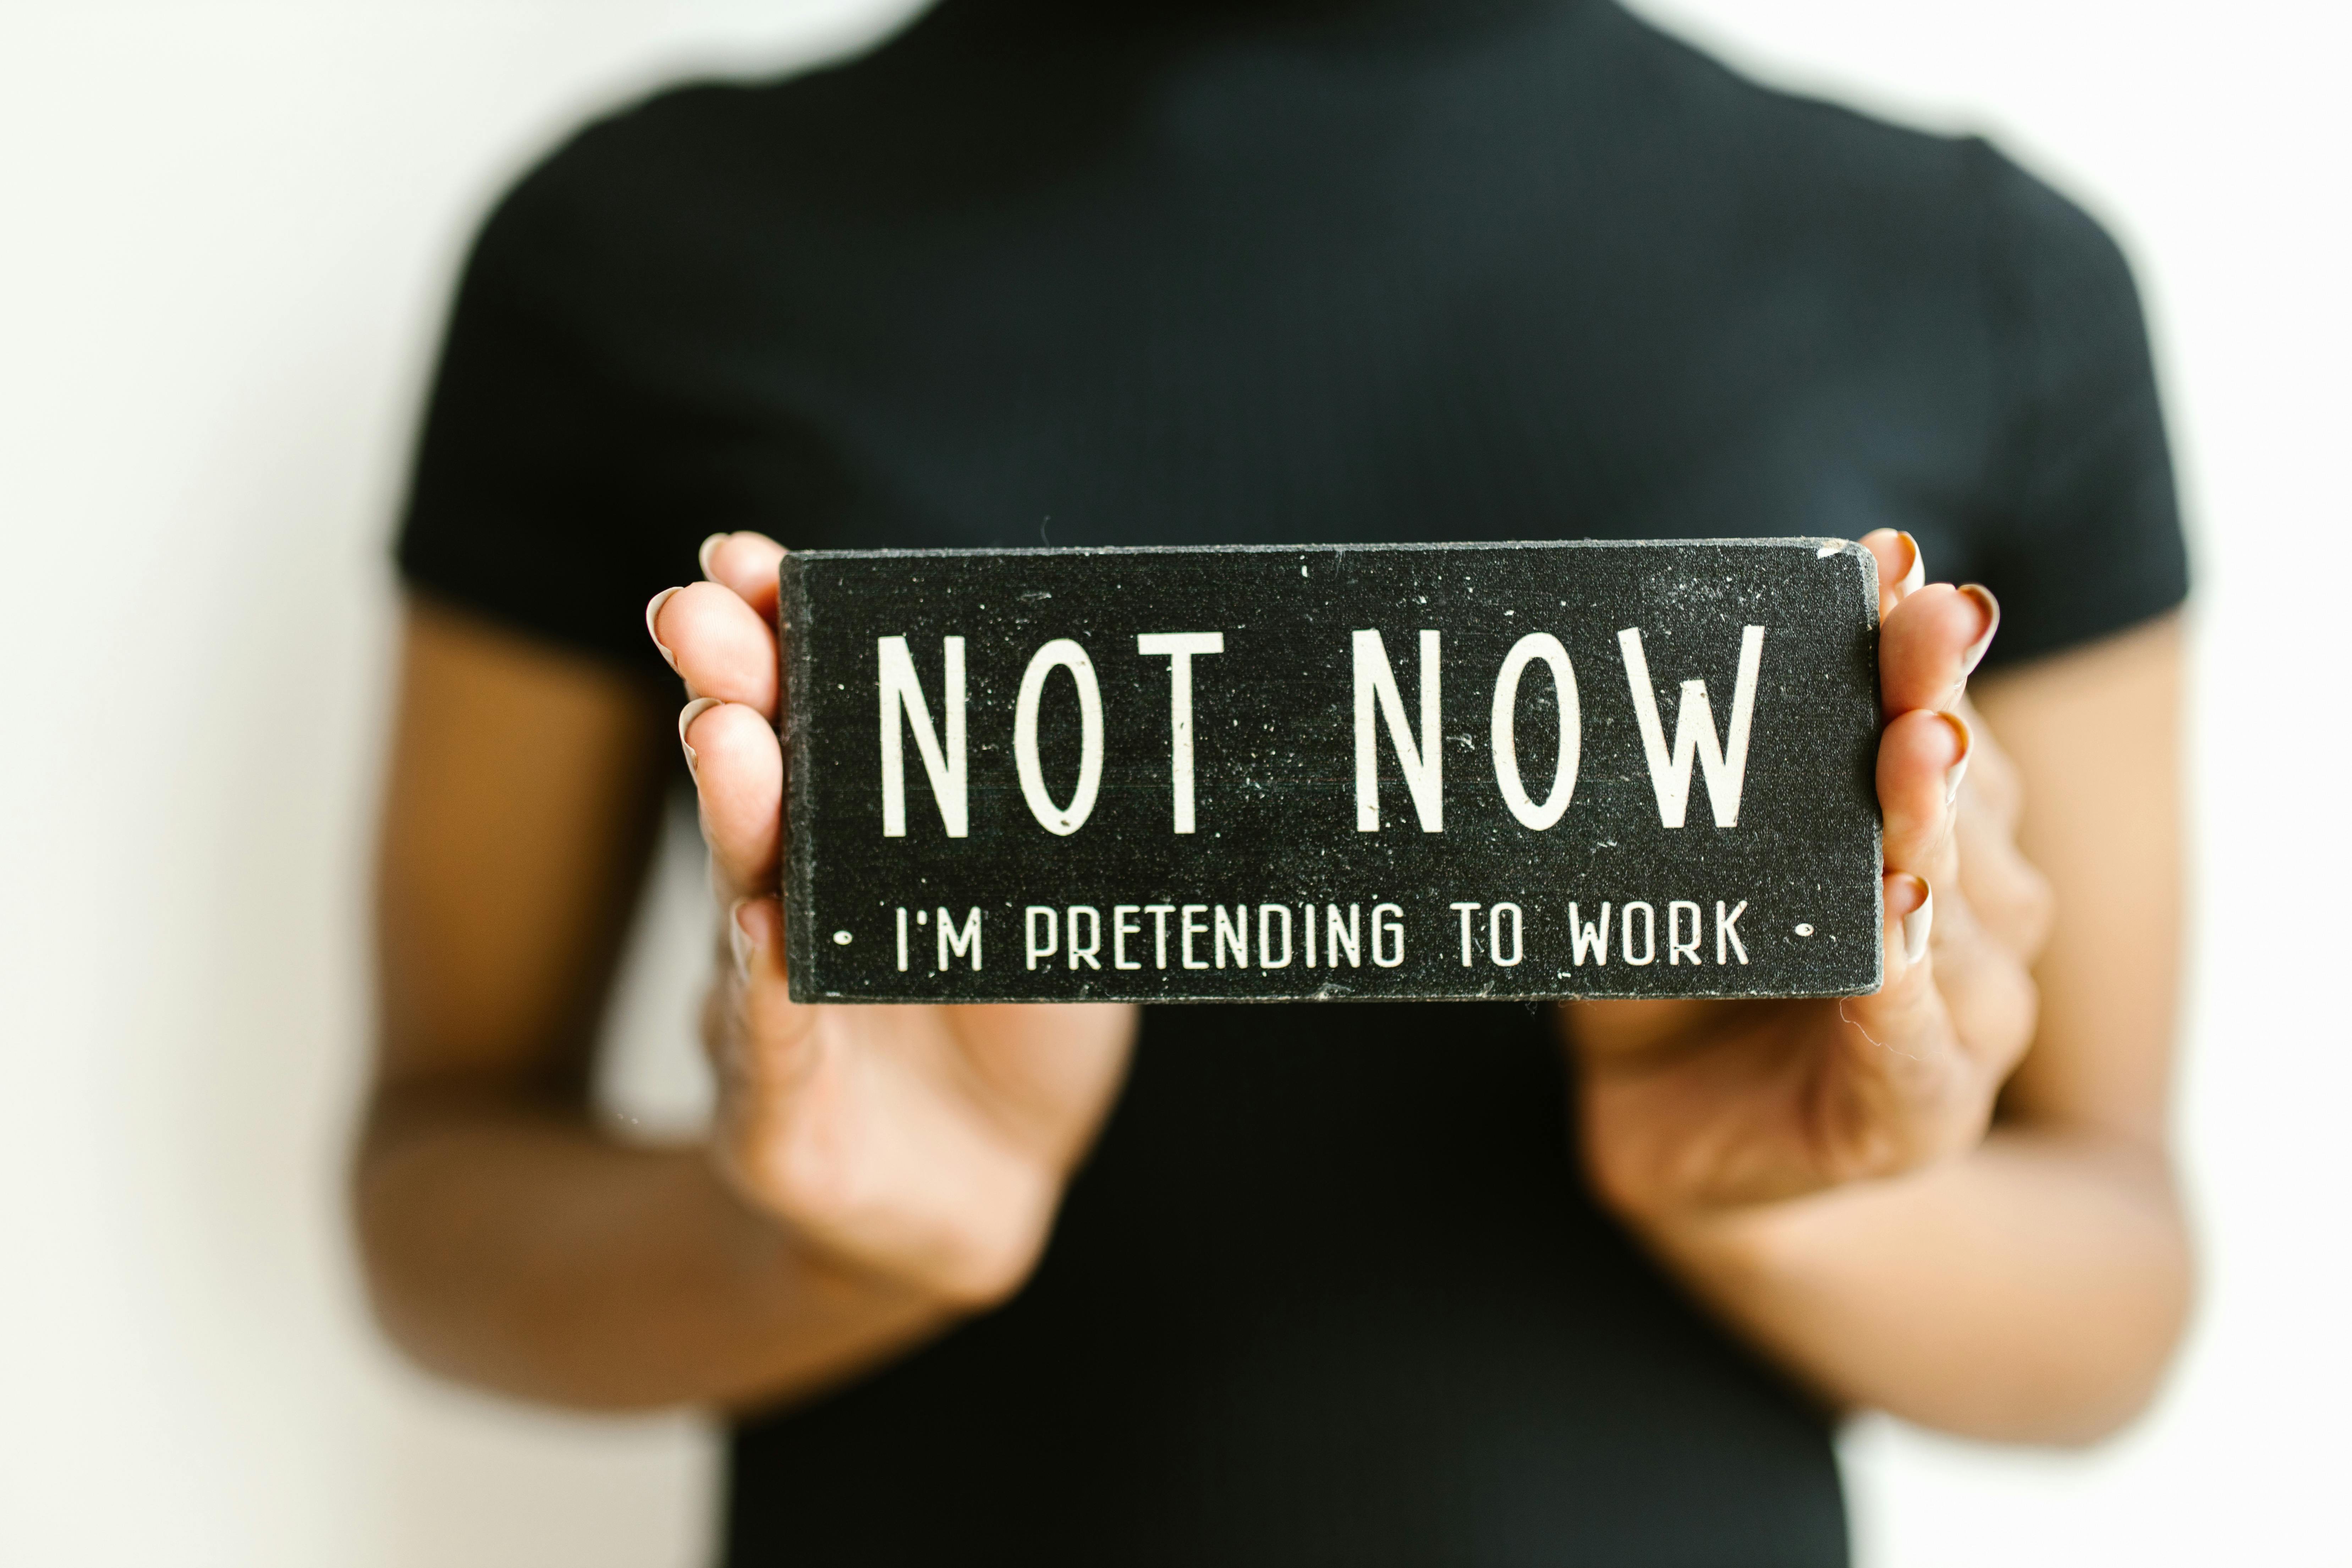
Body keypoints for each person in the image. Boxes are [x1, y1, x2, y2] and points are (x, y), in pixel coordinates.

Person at [355, 0, 2192, 1561]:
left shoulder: (1977, 275)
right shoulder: (634, 250)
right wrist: (823, 1244)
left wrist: (1788, 1193)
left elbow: (2122, 1274)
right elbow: (430, 1181)